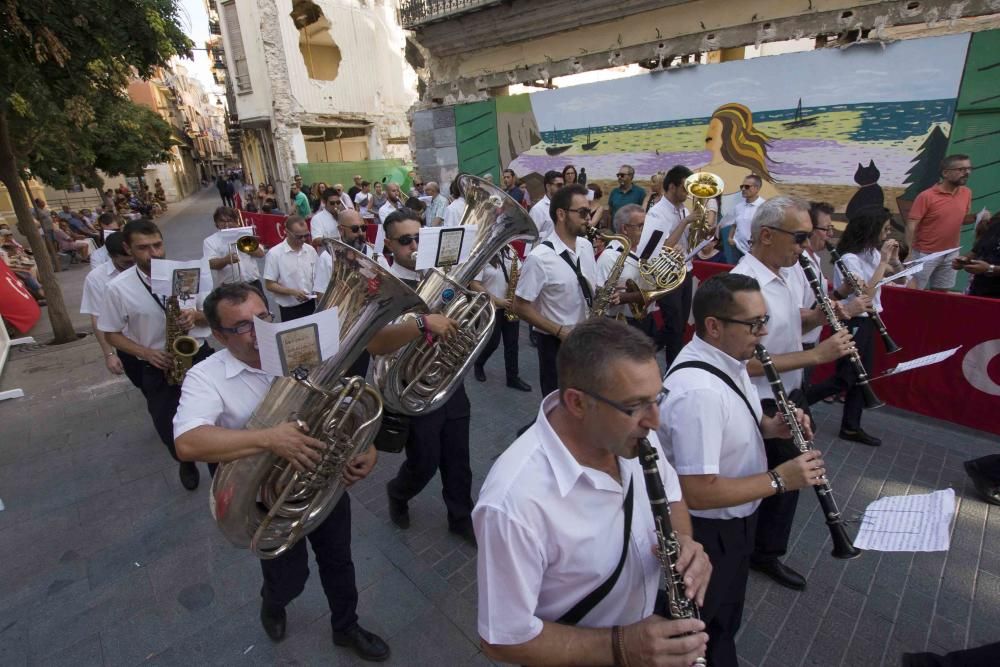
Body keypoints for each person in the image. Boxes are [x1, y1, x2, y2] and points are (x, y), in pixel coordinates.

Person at [474, 318, 712, 667]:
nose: (656, 420)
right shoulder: (513, 503)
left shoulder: (634, 435)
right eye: (635, 405)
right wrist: (622, 648)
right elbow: (502, 640)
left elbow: (672, 495)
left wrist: (685, 544)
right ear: (578, 403)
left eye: (657, 398)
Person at [172, 283, 390, 661]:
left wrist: (365, 447)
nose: (259, 332)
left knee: (339, 560)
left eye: (263, 317)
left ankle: (346, 625)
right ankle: (273, 603)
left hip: (323, 482)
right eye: (242, 326)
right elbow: (188, 443)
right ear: (220, 336)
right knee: (289, 577)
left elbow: (344, 404)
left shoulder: (298, 350)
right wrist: (270, 438)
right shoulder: (205, 377)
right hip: (265, 503)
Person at [659, 273, 827, 666]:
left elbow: (732, 433)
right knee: (701, 630)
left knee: (724, 622)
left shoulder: (729, 361)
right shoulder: (699, 393)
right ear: (714, 327)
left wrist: (771, 428)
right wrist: (780, 479)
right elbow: (697, 491)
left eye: (764, 320)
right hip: (707, 531)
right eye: (754, 324)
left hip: (733, 526)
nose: (764, 333)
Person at [729, 196, 855, 592]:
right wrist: (815, 354)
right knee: (776, 480)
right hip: (761, 398)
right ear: (766, 235)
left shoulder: (785, 274)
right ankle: (759, 552)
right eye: (799, 237)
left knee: (786, 483)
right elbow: (740, 361)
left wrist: (824, 317)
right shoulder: (744, 285)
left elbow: (788, 328)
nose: (805, 246)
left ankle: (763, 549)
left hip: (788, 391)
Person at [380, 209, 476, 544]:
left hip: (449, 379)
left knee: (459, 459)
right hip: (413, 388)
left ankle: (461, 517)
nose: (414, 245)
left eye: (420, 237)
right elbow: (376, 344)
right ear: (390, 244)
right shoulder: (385, 286)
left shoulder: (440, 276)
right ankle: (398, 492)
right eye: (406, 240)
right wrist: (423, 323)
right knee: (424, 462)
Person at [97, 219, 214, 490]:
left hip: (198, 356)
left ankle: (216, 467)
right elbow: (111, 333)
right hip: (158, 364)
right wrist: (146, 353)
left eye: (158, 245)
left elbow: (212, 316)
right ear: (128, 248)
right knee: (166, 425)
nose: (154, 253)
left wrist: (195, 316)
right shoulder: (118, 288)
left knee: (215, 419)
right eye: (144, 248)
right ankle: (183, 459)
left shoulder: (188, 273)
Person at [807, 208, 902, 446]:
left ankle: (851, 426)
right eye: (885, 229)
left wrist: (895, 261)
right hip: (853, 319)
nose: (887, 233)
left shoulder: (870, 252)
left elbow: (898, 276)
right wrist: (882, 262)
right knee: (845, 377)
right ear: (871, 229)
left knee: (862, 376)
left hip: (868, 320)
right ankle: (798, 401)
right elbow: (865, 294)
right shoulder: (849, 258)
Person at [515, 183, 597, 396]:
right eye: (582, 212)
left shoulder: (586, 246)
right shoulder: (538, 258)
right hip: (555, 343)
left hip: (586, 336)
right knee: (557, 404)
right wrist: (560, 331)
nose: (589, 218)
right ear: (561, 214)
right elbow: (520, 307)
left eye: (589, 211)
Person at [644, 165, 700, 367]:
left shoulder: (683, 209)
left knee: (679, 326)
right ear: (672, 186)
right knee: (674, 327)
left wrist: (700, 230)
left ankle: (646, 350)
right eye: (685, 188)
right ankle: (670, 369)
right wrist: (685, 222)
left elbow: (687, 242)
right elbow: (662, 247)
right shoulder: (656, 213)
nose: (688, 193)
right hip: (667, 275)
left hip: (686, 270)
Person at [907, 154, 983, 291]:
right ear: (945, 173)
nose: (967, 173)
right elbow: (911, 225)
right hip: (925, 253)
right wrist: (909, 253)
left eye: (969, 168)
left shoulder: (966, 193)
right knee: (914, 291)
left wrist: (978, 217)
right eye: (961, 169)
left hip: (951, 253)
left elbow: (960, 219)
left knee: (942, 293)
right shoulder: (926, 196)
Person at [80, 232, 142, 387]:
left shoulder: (144, 266)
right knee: (150, 391)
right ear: (111, 256)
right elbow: (97, 318)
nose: (132, 265)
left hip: (158, 339)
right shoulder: (96, 278)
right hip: (128, 345)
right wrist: (109, 354)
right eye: (126, 263)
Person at [469, 245, 531, 392]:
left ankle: (512, 377)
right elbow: (474, 284)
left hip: (509, 304)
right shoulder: (483, 254)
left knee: (512, 343)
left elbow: (518, 272)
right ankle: (479, 364)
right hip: (490, 307)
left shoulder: (510, 252)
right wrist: (497, 300)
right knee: (492, 342)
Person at [596, 204, 653, 332]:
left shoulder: (647, 248)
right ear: (625, 229)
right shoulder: (608, 257)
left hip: (647, 318)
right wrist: (624, 297)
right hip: (623, 325)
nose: (646, 230)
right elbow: (600, 301)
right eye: (641, 226)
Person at [263, 215, 317, 322]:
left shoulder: (310, 250)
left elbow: (317, 276)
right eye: (298, 236)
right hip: (289, 310)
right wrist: (292, 292)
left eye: (306, 235)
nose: (303, 240)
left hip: (311, 305)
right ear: (287, 232)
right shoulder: (274, 254)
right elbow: (269, 285)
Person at [203, 206, 266, 291]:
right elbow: (210, 264)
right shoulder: (210, 241)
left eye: (229, 220)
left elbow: (261, 254)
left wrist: (245, 245)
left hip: (252, 284)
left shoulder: (245, 234)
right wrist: (225, 260)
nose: (226, 224)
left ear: (236, 221)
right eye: (222, 221)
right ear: (216, 223)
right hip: (229, 287)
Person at [720, 174, 767, 263]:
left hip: (754, 251)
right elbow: (734, 224)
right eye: (742, 186)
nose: (743, 189)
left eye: (747, 186)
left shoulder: (764, 207)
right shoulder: (738, 207)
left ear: (757, 188)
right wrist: (730, 238)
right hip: (737, 248)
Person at [953, 211, 1000, 298]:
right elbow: (976, 251)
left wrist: (990, 268)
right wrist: (963, 260)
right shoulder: (996, 223)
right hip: (979, 291)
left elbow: (988, 268)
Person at [528, 170, 564, 242]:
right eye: (559, 185)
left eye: (563, 185)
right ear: (548, 186)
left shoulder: (565, 206)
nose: (562, 188)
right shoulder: (537, 210)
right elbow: (530, 239)